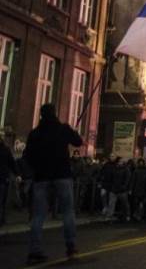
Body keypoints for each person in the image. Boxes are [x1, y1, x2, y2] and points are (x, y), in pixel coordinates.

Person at [23, 104, 83, 264]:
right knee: (68, 212)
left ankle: (34, 250)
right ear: (55, 113)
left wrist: (35, 169)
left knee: (38, 215)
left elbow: (27, 155)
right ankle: (71, 245)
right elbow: (78, 142)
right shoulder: (62, 129)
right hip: (62, 174)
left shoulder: (35, 133)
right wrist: (72, 131)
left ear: (41, 115)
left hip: (41, 177)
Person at [0, 135, 20, 226]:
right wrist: (17, 174)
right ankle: (2, 218)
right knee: (3, 200)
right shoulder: (6, 150)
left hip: (3, 177)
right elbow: (12, 163)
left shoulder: (6, 150)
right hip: (3, 178)